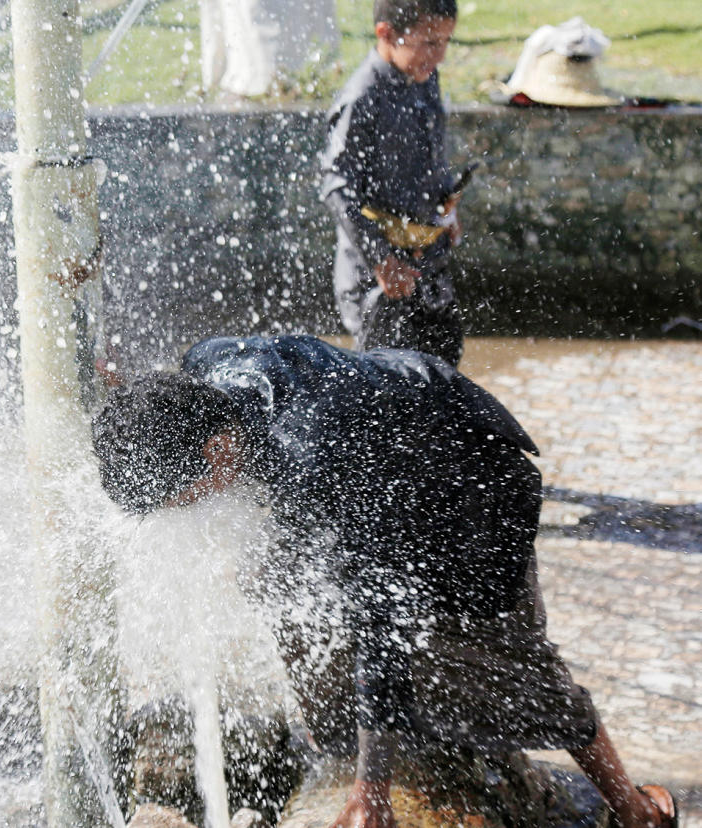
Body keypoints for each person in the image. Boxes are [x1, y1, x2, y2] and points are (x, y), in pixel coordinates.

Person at [91, 333, 677, 828]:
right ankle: (364, 734)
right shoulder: (208, 371)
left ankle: (631, 807)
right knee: (275, 580)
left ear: (218, 450)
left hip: (464, 480)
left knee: (496, 652)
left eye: (180, 497)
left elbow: (381, 616)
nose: (186, 510)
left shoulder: (316, 452)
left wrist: (372, 792)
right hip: (378, 453)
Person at [319, 0, 465, 366]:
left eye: (446, 41)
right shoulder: (362, 97)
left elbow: (431, 156)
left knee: (443, 380)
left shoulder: (423, 73)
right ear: (387, 33)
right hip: (380, 279)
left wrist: (447, 205)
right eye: (430, 43)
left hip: (427, 263)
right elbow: (335, 185)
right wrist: (382, 261)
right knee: (388, 392)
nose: (440, 55)